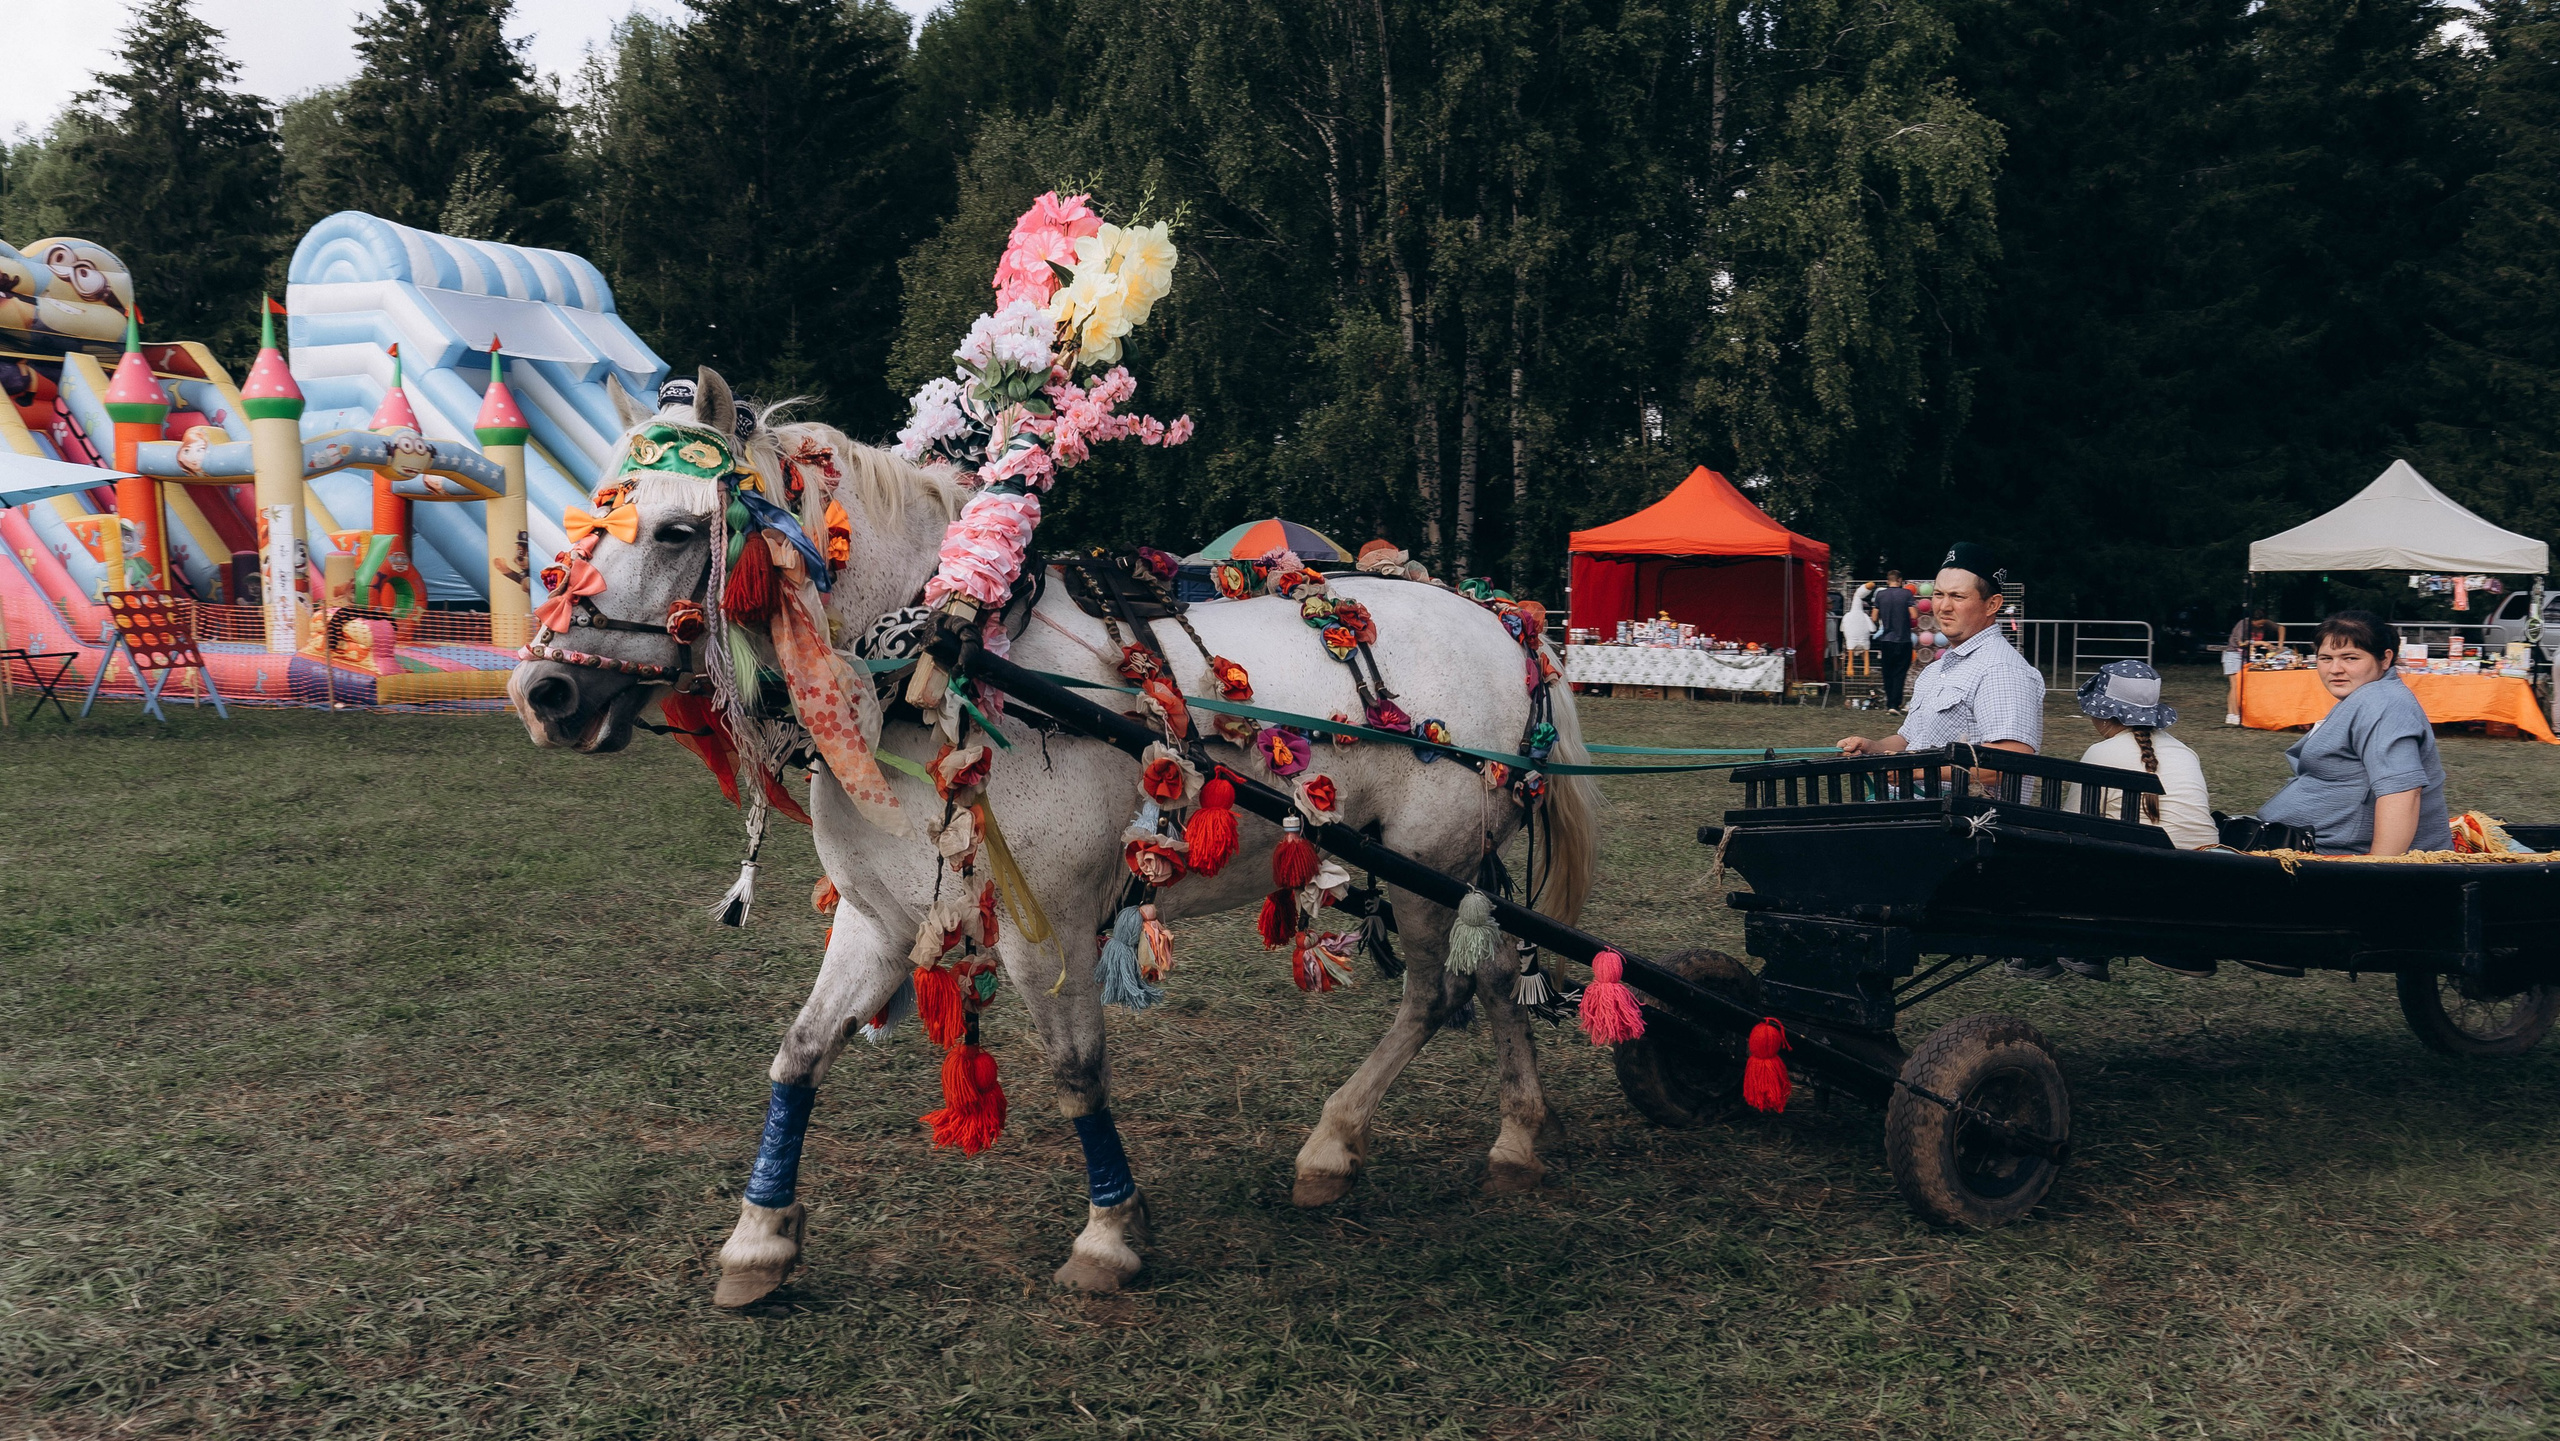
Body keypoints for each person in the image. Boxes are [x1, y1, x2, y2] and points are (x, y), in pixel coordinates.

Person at [2251, 609, 2450, 856]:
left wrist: (2376, 872)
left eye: (2350, 658)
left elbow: (2403, 793)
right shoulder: (2368, 695)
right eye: (2325, 658)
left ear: (2385, 659)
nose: (2335, 669)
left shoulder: (2382, 702)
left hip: (2338, 858)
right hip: (2306, 845)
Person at [1838, 544, 2043, 764]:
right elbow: (1909, 741)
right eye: (1938, 594)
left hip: (1956, 800)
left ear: (1992, 604)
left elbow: (2011, 758)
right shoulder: (1936, 669)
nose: (1943, 606)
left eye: (1958, 596)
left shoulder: (2001, 670)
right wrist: (1873, 748)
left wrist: (1916, 772)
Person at [1869, 570, 1916, 711]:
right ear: (1900, 580)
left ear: (1887, 581)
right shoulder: (1907, 594)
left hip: (1886, 640)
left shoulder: (1880, 595)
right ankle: (1896, 704)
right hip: (1903, 639)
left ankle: (1890, 703)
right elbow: (1914, 615)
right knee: (1900, 672)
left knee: (1887, 672)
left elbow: (1874, 617)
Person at [2224, 609, 2274, 725]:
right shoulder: (2243, 624)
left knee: (2235, 686)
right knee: (2235, 686)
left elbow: (2279, 627)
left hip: (2241, 656)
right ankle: (2235, 714)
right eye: (2260, 623)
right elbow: (2241, 643)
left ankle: (2231, 714)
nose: (2262, 625)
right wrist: (2262, 643)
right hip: (2233, 655)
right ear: (2254, 620)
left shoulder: (2253, 625)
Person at [1840, 580, 1876, 655]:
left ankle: (1851, 666)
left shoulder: (1848, 615)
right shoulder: (1864, 615)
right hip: (1862, 640)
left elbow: (1842, 627)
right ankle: (1865, 666)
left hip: (1853, 640)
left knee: (1852, 654)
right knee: (1864, 653)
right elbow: (1872, 628)